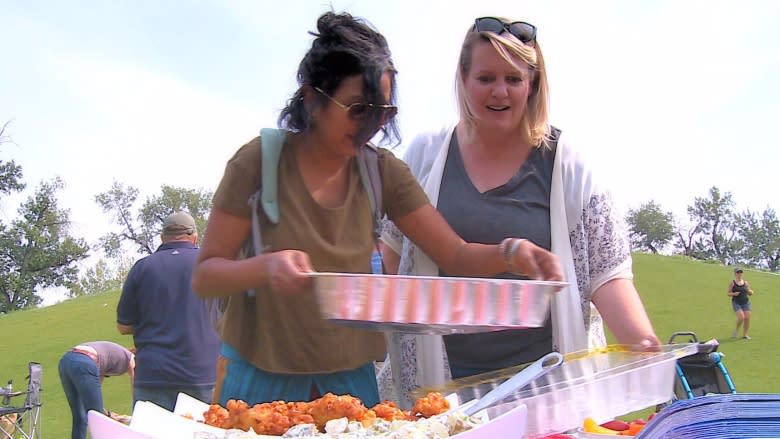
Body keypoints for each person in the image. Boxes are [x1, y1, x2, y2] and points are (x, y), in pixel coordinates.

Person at [191, 11, 563, 409]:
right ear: (313, 99)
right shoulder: (258, 163)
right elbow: (205, 276)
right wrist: (264, 268)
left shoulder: (380, 171)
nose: (372, 125)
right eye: (357, 109)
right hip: (257, 380)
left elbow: (454, 254)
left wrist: (512, 252)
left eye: (384, 112)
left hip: (350, 382)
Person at [377, 16, 661, 407]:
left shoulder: (570, 165)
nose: (499, 92)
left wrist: (642, 342)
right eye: (485, 78)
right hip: (438, 389)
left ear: (533, 85)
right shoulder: (425, 153)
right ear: (462, 79)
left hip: (548, 392)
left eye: (513, 79)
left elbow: (607, 272)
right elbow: (390, 255)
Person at [117, 211, 220, 411]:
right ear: (194, 236)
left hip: (153, 374)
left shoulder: (142, 267)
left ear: (162, 237)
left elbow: (123, 326)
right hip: (201, 373)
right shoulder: (209, 265)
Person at [58, 341, 135, 439]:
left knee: (80, 415)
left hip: (66, 360)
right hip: (85, 361)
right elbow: (136, 388)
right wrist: (136, 415)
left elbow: (92, 395)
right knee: (98, 420)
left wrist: (108, 414)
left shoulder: (111, 359)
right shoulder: (132, 359)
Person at [728, 267, 753, 340]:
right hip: (736, 302)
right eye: (738, 272)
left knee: (747, 318)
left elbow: (749, 291)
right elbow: (728, 293)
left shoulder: (745, 283)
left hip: (745, 302)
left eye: (741, 272)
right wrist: (734, 294)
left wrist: (750, 292)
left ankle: (745, 334)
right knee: (741, 317)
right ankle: (736, 331)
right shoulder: (732, 283)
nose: (739, 274)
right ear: (735, 273)